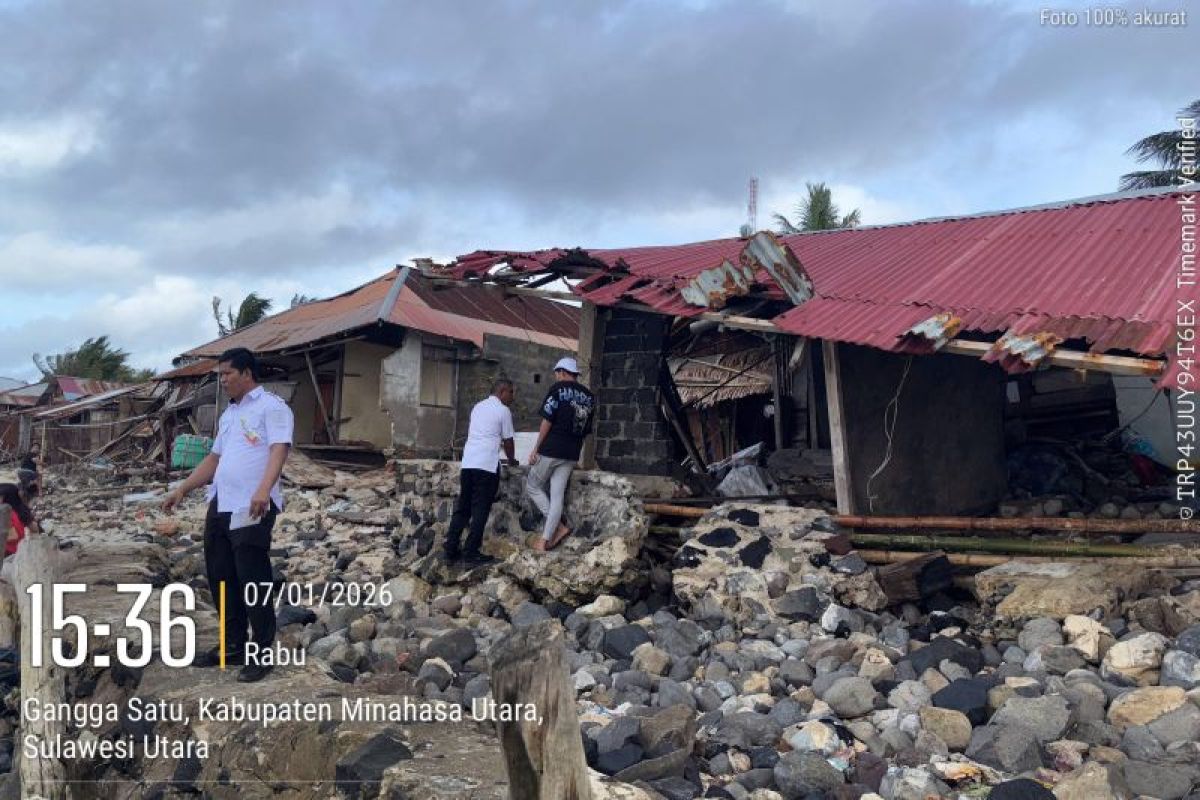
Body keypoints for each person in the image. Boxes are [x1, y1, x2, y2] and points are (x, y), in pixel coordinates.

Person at [163, 347, 293, 682]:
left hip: (252, 506)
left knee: (252, 577)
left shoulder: (272, 407)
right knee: (221, 575)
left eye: (227, 374)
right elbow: (214, 459)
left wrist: (263, 489)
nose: (222, 381)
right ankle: (233, 645)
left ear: (247, 373)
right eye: (220, 375)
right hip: (221, 504)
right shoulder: (230, 415)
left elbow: (279, 449)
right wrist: (183, 489)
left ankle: (262, 651)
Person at [444, 379, 517, 566]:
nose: (512, 397)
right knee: (480, 510)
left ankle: (450, 548)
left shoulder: (477, 407)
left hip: (468, 463)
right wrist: (511, 460)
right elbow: (508, 441)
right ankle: (471, 553)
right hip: (486, 466)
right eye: (511, 392)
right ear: (502, 391)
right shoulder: (503, 410)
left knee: (463, 508)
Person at [527, 357, 594, 552]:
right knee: (557, 497)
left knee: (532, 486)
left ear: (562, 372)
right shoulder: (589, 397)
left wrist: (536, 448)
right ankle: (545, 541)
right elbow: (586, 430)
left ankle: (558, 527)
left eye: (557, 373)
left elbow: (547, 420)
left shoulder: (557, 389)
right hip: (572, 452)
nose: (556, 377)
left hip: (551, 449)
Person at [0, 483, 34, 556]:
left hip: (10, 551)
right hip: (19, 547)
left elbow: (13, 536)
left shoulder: (6, 515)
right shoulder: (17, 510)